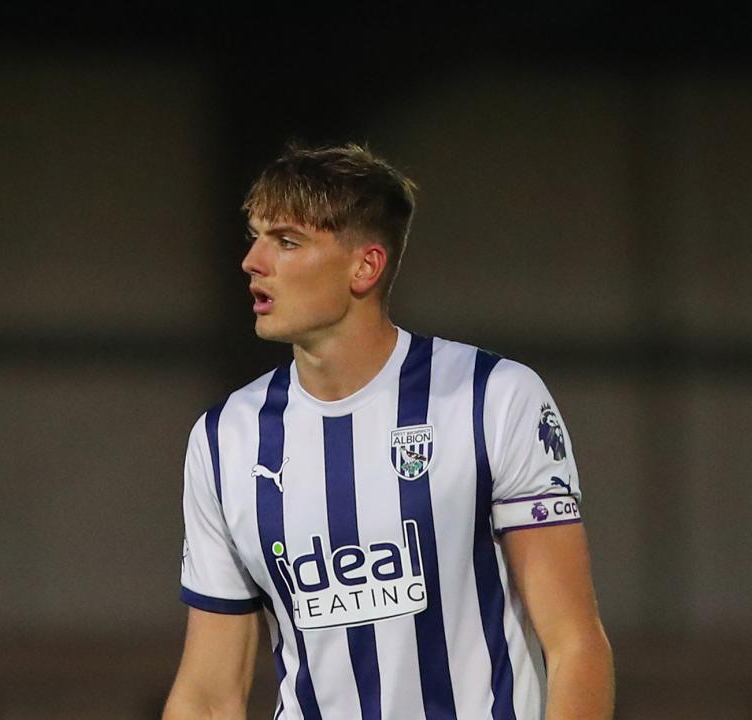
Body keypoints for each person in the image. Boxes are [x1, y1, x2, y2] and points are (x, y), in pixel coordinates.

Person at [163, 143, 614, 719]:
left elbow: (574, 643)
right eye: (254, 236)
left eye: (287, 242)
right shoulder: (225, 438)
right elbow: (208, 693)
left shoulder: (493, 398)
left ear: (365, 266)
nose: (253, 261)